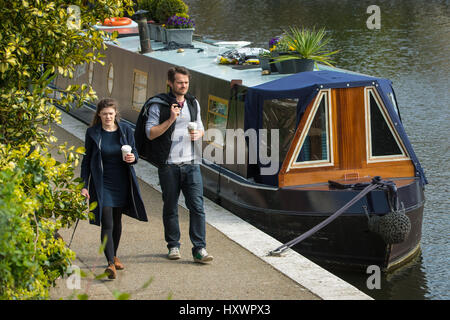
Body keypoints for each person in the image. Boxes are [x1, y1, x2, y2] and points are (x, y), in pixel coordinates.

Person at [145, 66, 213, 264]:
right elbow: (151, 133)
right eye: (180, 83)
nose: (184, 86)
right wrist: (171, 119)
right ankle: (173, 245)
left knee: (198, 207)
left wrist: (198, 134)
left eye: (186, 83)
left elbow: (201, 128)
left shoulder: (193, 103)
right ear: (170, 83)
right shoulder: (158, 105)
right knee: (171, 206)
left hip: (192, 163)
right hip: (169, 165)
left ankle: (199, 248)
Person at [80, 98, 148, 279]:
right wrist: (84, 186)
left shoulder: (125, 130)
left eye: (110, 113)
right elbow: (86, 160)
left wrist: (132, 158)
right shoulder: (93, 132)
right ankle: (110, 263)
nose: (108, 117)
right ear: (99, 115)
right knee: (107, 221)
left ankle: (115, 255)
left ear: (115, 114)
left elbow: (135, 154)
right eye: (104, 114)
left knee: (117, 221)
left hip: (122, 181)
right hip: (102, 183)